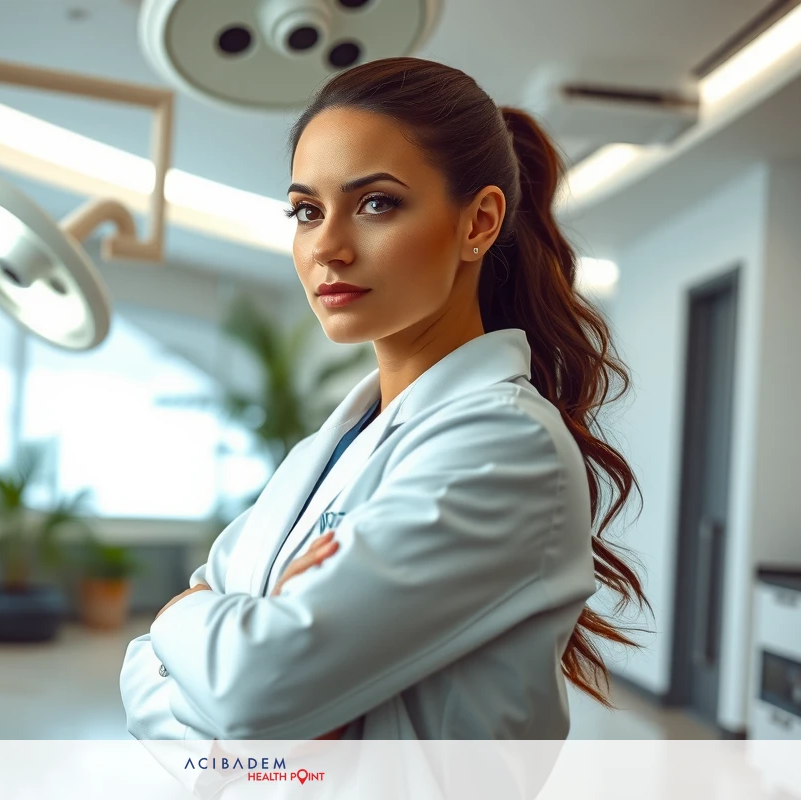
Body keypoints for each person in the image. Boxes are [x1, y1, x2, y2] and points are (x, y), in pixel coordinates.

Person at [120, 57, 648, 740]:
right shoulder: (327, 449)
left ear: (479, 223)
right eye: (307, 211)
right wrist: (223, 655)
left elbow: (252, 688)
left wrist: (180, 616)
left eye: (376, 203)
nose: (327, 248)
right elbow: (147, 679)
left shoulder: (505, 446)